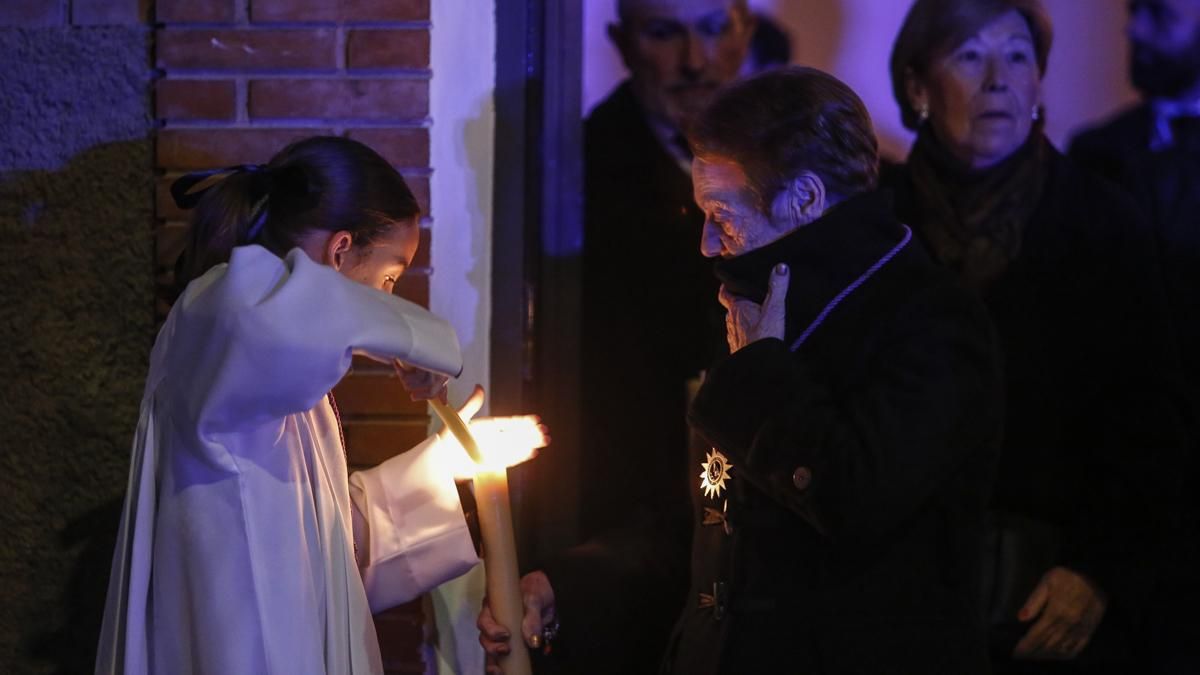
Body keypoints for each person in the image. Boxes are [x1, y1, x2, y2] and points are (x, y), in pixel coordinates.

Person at [483, 67, 1004, 674]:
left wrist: (760, 372)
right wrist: (565, 585)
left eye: (723, 214)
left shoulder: (932, 323)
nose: (707, 243)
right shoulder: (758, 298)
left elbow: (854, 500)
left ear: (806, 198)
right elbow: (714, 516)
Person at [95, 136, 546, 675]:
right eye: (389, 279)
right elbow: (285, 313)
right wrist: (408, 339)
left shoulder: (277, 376)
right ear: (339, 250)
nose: (387, 300)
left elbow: (322, 540)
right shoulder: (218, 313)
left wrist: (443, 468)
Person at [884, 0, 1190, 671]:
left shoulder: (1104, 220)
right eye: (969, 55)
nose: (999, 79)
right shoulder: (875, 227)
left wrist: (1099, 571)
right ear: (916, 87)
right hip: (892, 607)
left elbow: (1152, 424)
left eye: (1018, 56)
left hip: (1053, 609)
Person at [572, 0, 755, 670]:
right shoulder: (577, 169)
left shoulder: (797, 156)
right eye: (664, 32)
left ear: (746, 34)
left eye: (713, 28)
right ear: (623, 42)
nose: (695, 60)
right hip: (628, 502)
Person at [1069, 1, 1200, 671]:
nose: (1134, 31)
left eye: (1161, 14)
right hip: (1123, 479)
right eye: (1133, 11)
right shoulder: (1097, 151)